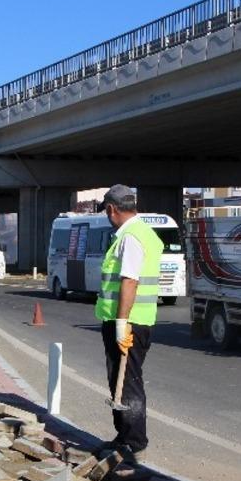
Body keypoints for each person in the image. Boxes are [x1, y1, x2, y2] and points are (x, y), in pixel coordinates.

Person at [94, 184, 164, 462]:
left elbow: (130, 281)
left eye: (106, 211)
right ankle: (124, 436)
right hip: (135, 319)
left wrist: (122, 322)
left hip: (128, 322)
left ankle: (133, 442)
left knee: (128, 382)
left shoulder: (131, 237)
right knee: (121, 380)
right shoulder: (141, 232)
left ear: (112, 209)